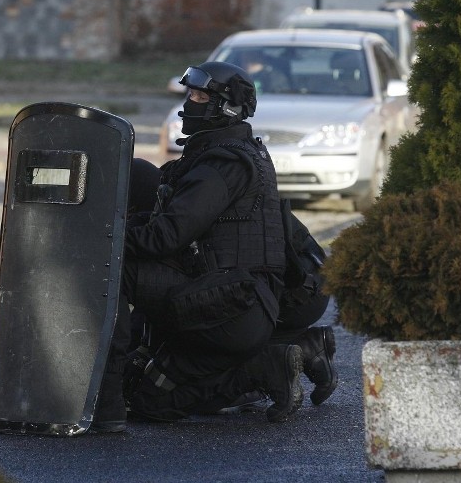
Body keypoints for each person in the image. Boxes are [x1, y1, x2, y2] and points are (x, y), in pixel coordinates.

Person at [92, 61, 316, 433]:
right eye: (190, 94)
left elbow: (164, 238)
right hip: (235, 304)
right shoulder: (235, 151)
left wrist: (101, 236)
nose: (190, 103)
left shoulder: (220, 165)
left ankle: (105, 397)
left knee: (115, 267)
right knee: (151, 402)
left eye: (199, 96)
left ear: (227, 107)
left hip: (225, 309)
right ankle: (271, 366)